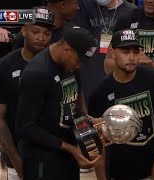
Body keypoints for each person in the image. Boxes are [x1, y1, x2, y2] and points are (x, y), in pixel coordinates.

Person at [88, 29, 154, 180]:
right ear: (113, 53)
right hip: (121, 173)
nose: (132, 57)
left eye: (135, 51)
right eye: (125, 52)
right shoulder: (101, 92)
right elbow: (98, 143)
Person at [15, 26, 100, 180]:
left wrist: (89, 127)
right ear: (67, 50)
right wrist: (71, 149)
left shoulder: (70, 65)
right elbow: (25, 127)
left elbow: (74, 103)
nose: (79, 65)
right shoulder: (37, 73)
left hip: (67, 154)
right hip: (42, 158)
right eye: (79, 60)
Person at [0, 7, 54, 180]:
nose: (41, 38)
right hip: (18, 155)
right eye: (35, 31)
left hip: (55, 156)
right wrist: (15, 159)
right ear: (23, 30)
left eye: (47, 33)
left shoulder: (59, 64)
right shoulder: (3, 68)